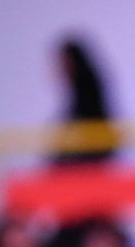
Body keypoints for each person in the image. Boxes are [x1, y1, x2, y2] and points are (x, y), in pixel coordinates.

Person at [51, 37, 118, 166]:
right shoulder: (78, 91)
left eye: (65, 62)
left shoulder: (89, 87)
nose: (62, 68)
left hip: (92, 155)